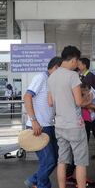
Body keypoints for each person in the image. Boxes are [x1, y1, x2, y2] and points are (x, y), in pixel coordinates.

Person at [48, 46, 88, 188]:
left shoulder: (52, 76)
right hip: (74, 125)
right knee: (80, 162)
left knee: (62, 160)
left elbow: (50, 102)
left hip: (59, 124)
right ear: (73, 60)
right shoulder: (73, 76)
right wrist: (87, 97)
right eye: (77, 62)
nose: (77, 65)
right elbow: (78, 102)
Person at [23, 57, 62, 188]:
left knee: (55, 159)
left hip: (49, 126)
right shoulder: (41, 78)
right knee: (49, 160)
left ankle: (33, 180)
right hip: (38, 127)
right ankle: (41, 185)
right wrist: (34, 121)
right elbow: (27, 96)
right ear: (56, 67)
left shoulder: (52, 81)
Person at [77, 58, 95, 158]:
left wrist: (87, 105)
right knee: (89, 130)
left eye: (79, 64)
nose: (78, 66)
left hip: (90, 109)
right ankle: (92, 150)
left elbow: (91, 93)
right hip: (87, 109)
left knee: (94, 130)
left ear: (84, 65)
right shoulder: (84, 76)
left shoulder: (89, 76)